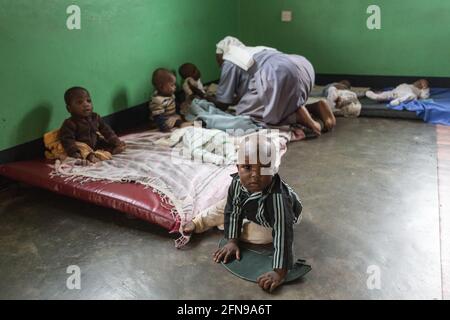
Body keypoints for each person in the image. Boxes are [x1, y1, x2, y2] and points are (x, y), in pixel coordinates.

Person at [183, 134, 303, 292]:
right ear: (238, 167)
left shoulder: (279, 199)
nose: (255, 175)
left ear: (273, 169)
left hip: (276, 219)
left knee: (264, 237)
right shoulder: (237, 183)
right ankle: (199, 222)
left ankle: (231, 224)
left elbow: (283, 232)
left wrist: (280, 272)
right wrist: (232, 241)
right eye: (247, 167)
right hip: (251, 208)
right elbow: (232, 209)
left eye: (264, 167)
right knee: (225, 205)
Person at [210, 36, 336, 136]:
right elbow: (251, 89)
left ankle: (298, 117)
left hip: (277, 74)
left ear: (223, 55)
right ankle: (314, 107)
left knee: (246, 115)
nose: (219, 66)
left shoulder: (229, 59)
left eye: (218, 62)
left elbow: (223, 102)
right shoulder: (255, 50)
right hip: (302, 67)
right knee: (273, 101)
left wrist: (207, 98)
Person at [59, 87, 126, 164]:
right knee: (81, 148)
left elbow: (106, 130)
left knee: (104, 142)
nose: (86, 104)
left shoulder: (95, 117)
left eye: (88, 101)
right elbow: (67, 139)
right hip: (82, 146)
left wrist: (116, 141)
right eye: (79, 102)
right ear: (69, 108)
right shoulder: (70, 123)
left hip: (95, 143)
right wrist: (74, 152)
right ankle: (89, 157)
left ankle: (112, 150)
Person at [365, 79, 430, 106]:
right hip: (399, 91)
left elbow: (424, 96)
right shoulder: (409, 85)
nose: (421, 83)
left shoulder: (422, 90)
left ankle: (398, 100)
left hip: (403, 93)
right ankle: (375, 96)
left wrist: (425, 88)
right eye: (421, 81)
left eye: (424, 83)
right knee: (388, 94)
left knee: (411, 95)